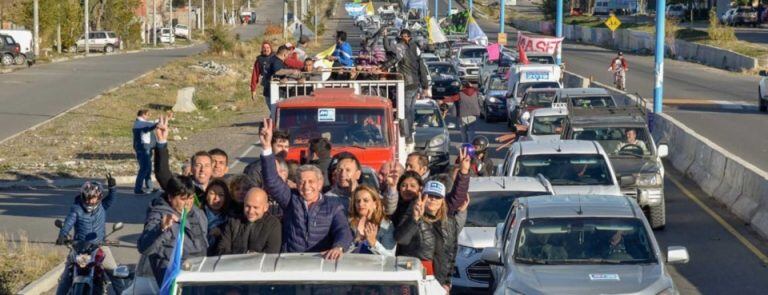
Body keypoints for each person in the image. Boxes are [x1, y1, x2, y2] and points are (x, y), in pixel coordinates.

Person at [259, 119, 353, 259]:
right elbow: (272, 181)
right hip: (291, 261)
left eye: (311, 181)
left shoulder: (333, 206)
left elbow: (343, 230)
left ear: (320, 183)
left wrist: (338, 247)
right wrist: (266, 147)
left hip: (320, 261)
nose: (306, 186)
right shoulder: (291, 198)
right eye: (302, 182)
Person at [394, 147, 471, 291]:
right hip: (413, 281)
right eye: (429, 196)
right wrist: (415, 219)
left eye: (437, 197)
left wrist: (447, 283)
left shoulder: (450, 222)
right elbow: (401, 239)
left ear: (443, 200)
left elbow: (451, 255)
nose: (433, 200)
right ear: (422, 197)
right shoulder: (412, 213)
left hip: (438, 283)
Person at [56, 176, 122, 295]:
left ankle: (123, 293)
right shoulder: (76, 209)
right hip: (79, 248)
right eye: (87, 198)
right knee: (66, 277)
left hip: (99, 246)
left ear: (100, 197)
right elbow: (68, 222)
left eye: (93, 198)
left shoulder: (102, 206)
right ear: (83, 196)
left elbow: (112, 199)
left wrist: (112, 187)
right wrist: (62, 235)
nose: (90, 201)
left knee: (115, 273)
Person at [137, 175, 208, 285]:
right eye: (183, 199)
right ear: (170, 197)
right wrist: (160, 229)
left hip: (199, 275)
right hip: (174, 279)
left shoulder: (198, 213)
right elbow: (145, 248)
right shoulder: (159, 216)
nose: (188, 203)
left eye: (191, 198)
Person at [379, 28, 430, 146]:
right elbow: (421, 68)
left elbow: (390, 53)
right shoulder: (415, 48)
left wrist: (385, 36)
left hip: (406, 84)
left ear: (401, 37)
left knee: (405, 111)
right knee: (410, 111)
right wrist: (425, 85)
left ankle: (406, 136)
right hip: (415, 84)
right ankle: (409, 134)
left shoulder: (400, 47)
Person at [154, 115, 211, 207]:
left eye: (207, 165)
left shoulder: (219, 188)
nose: (202, 169)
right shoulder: (183, 186)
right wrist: (161, 142)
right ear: (191, 168)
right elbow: (162, 174)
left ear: (212, 168)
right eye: (198, 165)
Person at [216, 188, 282, 255]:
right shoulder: (234, 221)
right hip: (233, 264)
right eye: (247, 206)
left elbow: (271, 254)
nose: (251, 211)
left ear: (265, 207)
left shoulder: (273, 224)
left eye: (255, 207)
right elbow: (221, 250)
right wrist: (245, 255)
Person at [347, 186, 396, 256]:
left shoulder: (386, 225)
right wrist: (356, 241)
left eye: (366, 200)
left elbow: (390, 257)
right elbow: (341, 252)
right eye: (358, 201)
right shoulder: (349, 223)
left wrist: (374, 242)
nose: (360, 204)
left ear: (375, 204)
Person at [133, 109, 158, 194]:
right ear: (143, 115)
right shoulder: (140, 123)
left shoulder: (141, 123)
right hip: (143, 148)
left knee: (148, 168)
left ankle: (149, 186)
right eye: (148, 115)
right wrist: (160, 122)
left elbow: (152, 122)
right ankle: (137, 189)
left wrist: (164, 119)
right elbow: (151, 125)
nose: (149, 116)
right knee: (144, 168)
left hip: (145, 148)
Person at [204, 178, 231, 255]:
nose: (216, 198)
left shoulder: (231, 217)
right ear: (206, 195)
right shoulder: (198, 214)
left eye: (221, 195)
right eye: (212, 193)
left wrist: (222, 232)